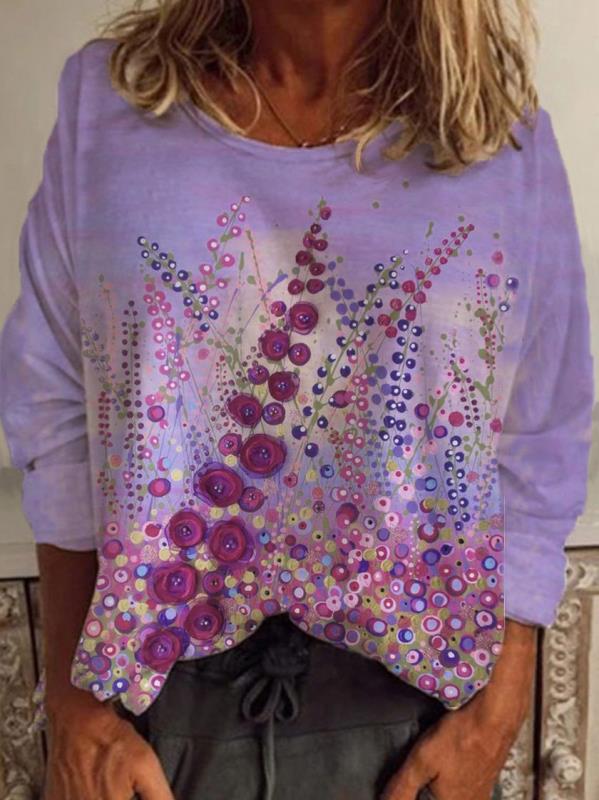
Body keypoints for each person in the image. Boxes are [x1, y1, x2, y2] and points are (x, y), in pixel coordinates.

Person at [0, 1, 594, 799]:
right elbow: (55, 406)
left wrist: (498, 707)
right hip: (151, 716)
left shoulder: (498, 138)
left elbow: (542, 427)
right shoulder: (109, 105)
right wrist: (76, 711)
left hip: (415, 717)